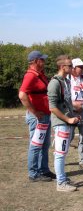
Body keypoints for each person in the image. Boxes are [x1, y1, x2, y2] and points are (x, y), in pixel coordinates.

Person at [19, 50, 56, 182]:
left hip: (45, 116)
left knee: (44, 145)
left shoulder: (40, 75)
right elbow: (22, 95)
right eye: (42, 60)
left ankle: (44, 170)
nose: (44, 62)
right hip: (38, 117)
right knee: (36, 146)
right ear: (35, 61)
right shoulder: (30, 76)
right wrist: (35, 112)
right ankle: (34, 174)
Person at [48, 55, 80, 192]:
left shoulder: (66, 81)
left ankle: (63, 178)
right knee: (60, 154)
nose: (72, 68)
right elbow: (52, 107)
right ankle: (61, 183)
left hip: (66, 122)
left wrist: (74, 112)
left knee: (63, 152)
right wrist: (67, 119)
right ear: (62, 67)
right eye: (70, 66)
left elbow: (64, 103)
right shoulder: (55, 83)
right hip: (60, 123)